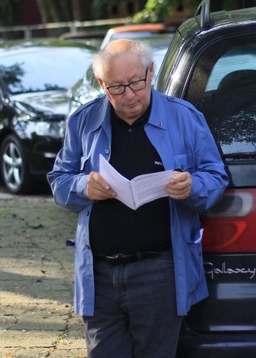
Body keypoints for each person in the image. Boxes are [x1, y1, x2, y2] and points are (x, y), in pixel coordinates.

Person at [47, 38, 228, 358]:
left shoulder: (184, 117)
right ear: (102, 84)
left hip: (159, 270)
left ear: (151, 72)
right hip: (99, 274)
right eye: (117, 87)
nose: (129, 95)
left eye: (136, 83)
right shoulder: (83, 121)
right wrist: (82, 187)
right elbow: (59, 181)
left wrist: (192, 187)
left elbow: (215, 177)